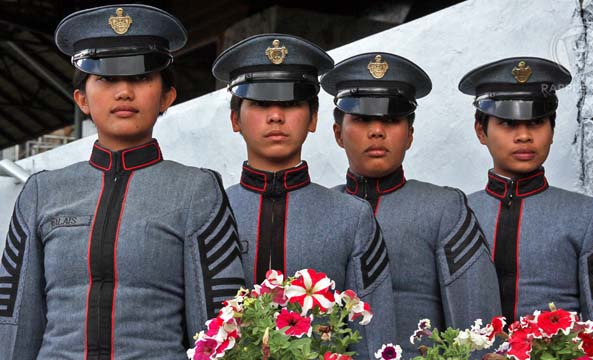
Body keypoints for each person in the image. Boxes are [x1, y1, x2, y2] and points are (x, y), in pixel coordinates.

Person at [0, 5, 245, 359]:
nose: (124, 92)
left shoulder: (197, 191)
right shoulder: (41, 192)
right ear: (82, 99)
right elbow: (15, 321)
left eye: (142, 78)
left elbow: (218, 324)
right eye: (107, 79)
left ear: (166, 98)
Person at [212, 33, 396, 359]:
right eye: (259, 104)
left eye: (290, 103)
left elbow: (372, 335)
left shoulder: (351, 216)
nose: (275, 116)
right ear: (234, 119)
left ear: (312, 119)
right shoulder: (210, 212)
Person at [322, 52, 502, 357]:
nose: (377, 131)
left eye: (391, 120)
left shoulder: (445, 208)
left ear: (410, 135)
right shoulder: (319, 210)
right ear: (338, 134)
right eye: (363, 119)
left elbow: (477, 327)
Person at [459, 56, 593, 324]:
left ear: (552, 129)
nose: (524, 136)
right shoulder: (456, 215)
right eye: (508, 123)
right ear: (481, 131)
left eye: (536, 122)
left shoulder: (589, 216)